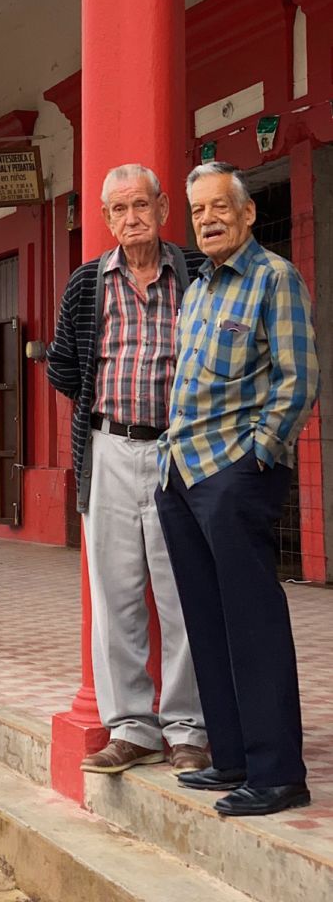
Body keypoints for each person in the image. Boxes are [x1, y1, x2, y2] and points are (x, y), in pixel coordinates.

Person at [156, 162, 319, 817]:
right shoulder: (197, 290)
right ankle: (231, 756)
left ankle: (278, 773)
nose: (209, 220)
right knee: (207, 619)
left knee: (251, 620)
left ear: (247, 213)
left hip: (235, 474)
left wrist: (255, 458)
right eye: (198, 212)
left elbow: (296, 377)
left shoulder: (274, 279)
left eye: (220, 207)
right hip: (182, 472)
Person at [48, 164, 209, 775]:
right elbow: (63, 364)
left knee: (181, 593)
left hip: (180, 449)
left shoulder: (195, 275)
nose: (130, 218)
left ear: (164, 208)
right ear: (105, 218)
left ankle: (188, 726)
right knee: (115, 596)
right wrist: (100, 409)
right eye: (117, 209)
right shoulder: (88, 283)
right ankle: (132, 727)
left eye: (140, 205)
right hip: (110, 448)